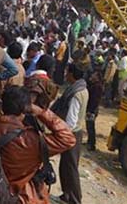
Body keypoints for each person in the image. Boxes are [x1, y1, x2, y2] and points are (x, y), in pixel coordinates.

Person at [0, 86, 76, 204]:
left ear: (2, 106)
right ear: (26, 110)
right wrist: (42, 112)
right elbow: (68, 138)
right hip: (18, 196)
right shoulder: (32, 139)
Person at [51, 63, 89, 204]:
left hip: (71, 133)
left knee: (71, 167)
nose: (66, 74)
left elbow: (71, 120)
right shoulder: (81, 88)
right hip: (75, 132)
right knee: (66, 165)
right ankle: (66, 195)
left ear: (72, 74)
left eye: (68, 72)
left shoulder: (75, 93)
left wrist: (60, 131)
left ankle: (74, 199)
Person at [85, 66, 104, 151]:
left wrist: (91, 110)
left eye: (94, 75)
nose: (92, 76)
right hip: (90, 108)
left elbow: (95, 100)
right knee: (88, 126)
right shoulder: (93, 85)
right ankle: (89, 141)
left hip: (92, 110)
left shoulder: (97, 87)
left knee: (91, 126)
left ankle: (92, 144)